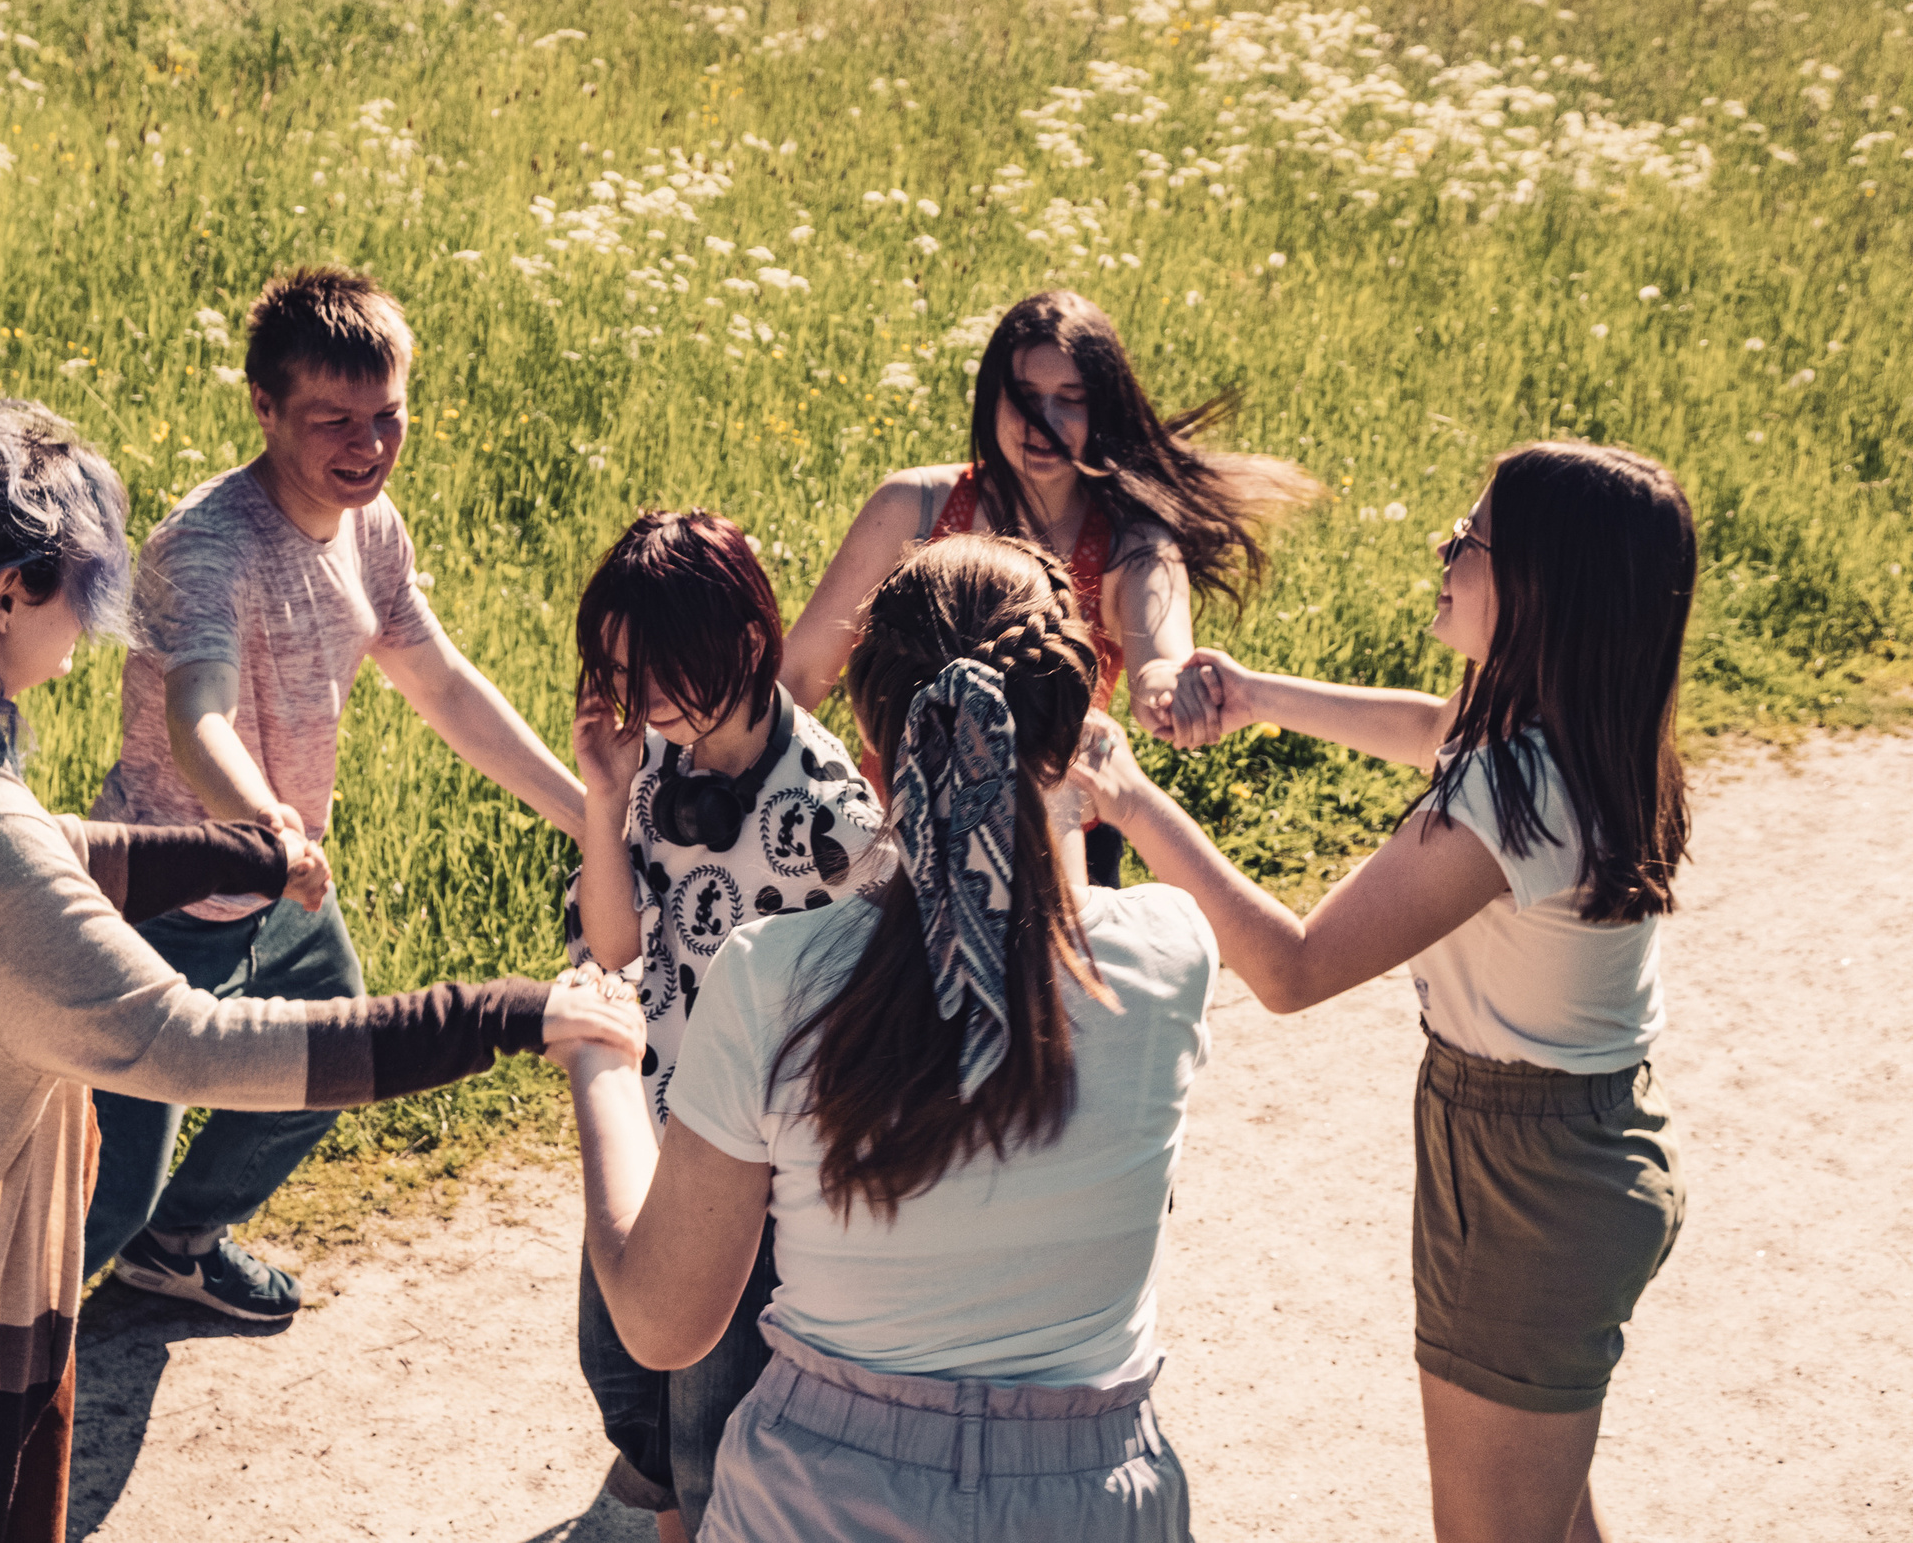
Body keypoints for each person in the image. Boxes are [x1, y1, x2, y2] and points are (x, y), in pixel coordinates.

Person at [0, 404, 639, 1542]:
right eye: (81, 590)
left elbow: (47, 857)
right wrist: (510, 1014)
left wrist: (237, 854)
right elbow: (192, 1042)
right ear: (5, 594)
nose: (90, 629)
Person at [1077, 440, 1694, 1543]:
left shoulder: (1514, 791)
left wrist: (1131, 803)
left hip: (1531, 1188)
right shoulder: (1580, 730)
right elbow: (1430, 731)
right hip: (1574, 1154)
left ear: (1542, 585)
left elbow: (1293, 967)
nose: (1445, 550)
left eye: (1472, 539)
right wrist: (1259, 696)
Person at [558, 533, 1218, 1543]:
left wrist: (602, 1067)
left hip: (819, 1503)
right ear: (1079, 720)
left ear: (870, 752)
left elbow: (660, 1323)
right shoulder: (1175, 952)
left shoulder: (769, 974)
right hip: (1088, 1504)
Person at [82, 265, 588, 1320]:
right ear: (263, 408)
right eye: (333, 421)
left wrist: (587, 816)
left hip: (287, 890)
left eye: (387, 417)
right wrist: (263, 824)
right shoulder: (206, 548)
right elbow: (197, 712)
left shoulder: (372, 526)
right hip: (166, 902)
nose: (367, 446)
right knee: (102, 1194)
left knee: (330, 1064)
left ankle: (180, 1246)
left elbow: (441, 683)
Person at [563, 509, 887, 1541]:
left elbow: (872, 1022)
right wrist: (604, 795)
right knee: (621, 1376)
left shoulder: (833, 818)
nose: (644, 697)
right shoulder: (652, 764)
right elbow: (609, 955)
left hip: (756, 1175)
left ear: (747, 642)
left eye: (664, 667)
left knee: (712, 1443)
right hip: (653, 1130)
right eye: (623, 672)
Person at [780, 289, 1317, 884]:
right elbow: (797, 678)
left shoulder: (1133, 542)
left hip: (1055, 854)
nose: (1045, 421)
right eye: (1026, 396)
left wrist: (1176, 692)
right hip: (899, 837)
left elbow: (1159, 667)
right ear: (991, 397)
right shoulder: (913, 506)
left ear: (1102, 409)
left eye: (1071, 399)